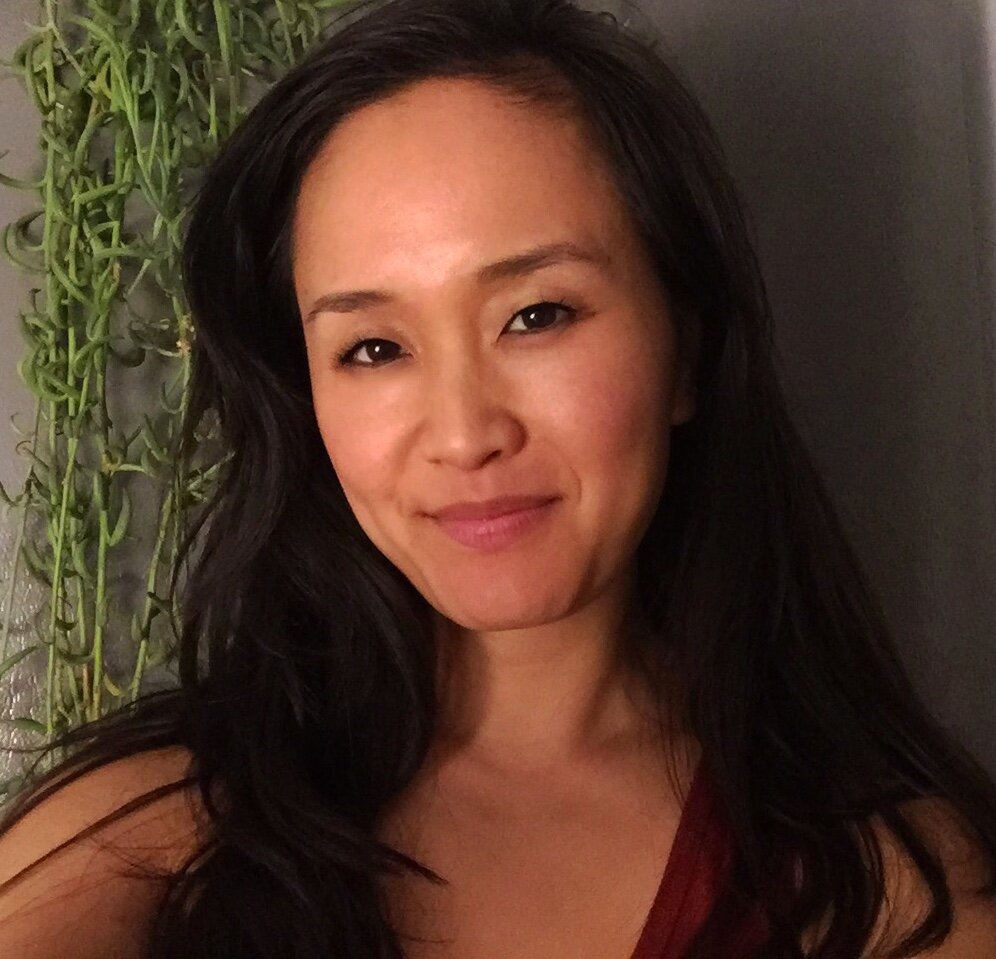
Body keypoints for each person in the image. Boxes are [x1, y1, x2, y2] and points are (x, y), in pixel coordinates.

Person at [0, 0, 994, 956]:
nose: (465, 434)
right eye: (375, 347)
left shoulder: (888, 885)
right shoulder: (156, 830)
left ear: (685, 351)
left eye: (536, 316)